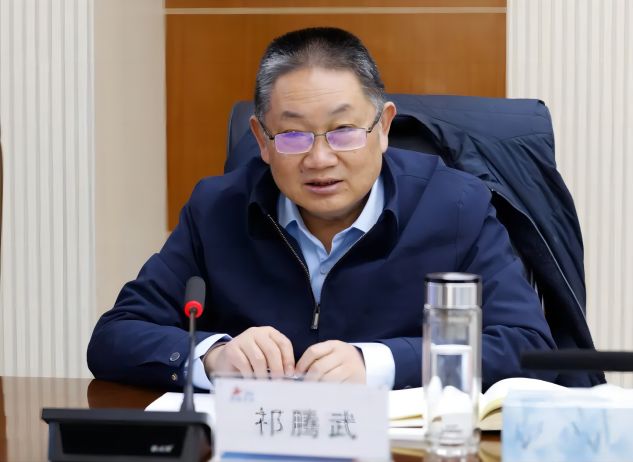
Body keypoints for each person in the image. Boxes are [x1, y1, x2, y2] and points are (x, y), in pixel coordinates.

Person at [87, 27, 557, 391]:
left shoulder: (455, 206)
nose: (319, 159)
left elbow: (528, 346)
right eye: (292, 135)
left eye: (343, 131)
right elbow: (115, 335)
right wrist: (211, 355)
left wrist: (377, 363)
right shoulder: (216, 210)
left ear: (384, 127)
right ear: (261, 140)